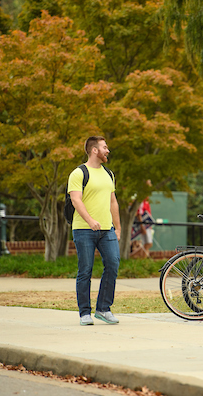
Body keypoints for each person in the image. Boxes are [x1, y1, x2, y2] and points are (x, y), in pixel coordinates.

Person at [68, 136, 122, 326]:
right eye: (104, 147)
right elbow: (76, 200)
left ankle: (103, 309)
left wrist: (118, 227)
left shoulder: (109, 174)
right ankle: (85, 313)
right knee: (85, 270)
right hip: (83, 229)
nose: (108, 150)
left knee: (113, 264)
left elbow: (112, 201)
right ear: (94, 150)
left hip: (107, 230)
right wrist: (90, 221)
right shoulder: (78, 173)